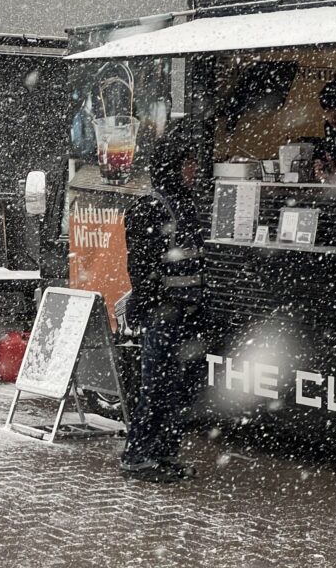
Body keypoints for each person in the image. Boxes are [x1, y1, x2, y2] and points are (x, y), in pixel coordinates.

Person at [119, 119, 207, 483]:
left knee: (178, 389)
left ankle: (164, 451)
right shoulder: (152, 208)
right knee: (157, 387)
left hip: (185, 312)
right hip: (165, 314)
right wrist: (157, 303)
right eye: (188, 162)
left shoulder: (184, 204)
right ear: (173, 165)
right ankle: (137, 455)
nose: (195, 169)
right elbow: (141, 268)